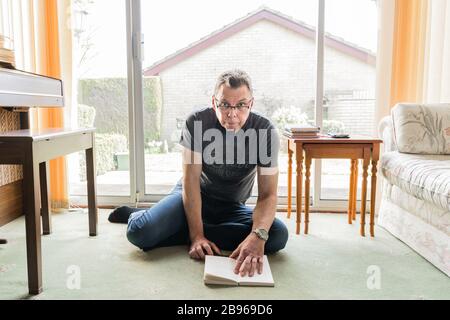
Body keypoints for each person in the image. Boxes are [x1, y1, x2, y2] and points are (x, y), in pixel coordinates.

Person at [109, 69, 288, 277]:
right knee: (140, 233)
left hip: (231, 207)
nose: (232, 114)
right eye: (224, 104)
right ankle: (142, 216)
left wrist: (257, 236)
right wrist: (196, 236)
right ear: (214, 103)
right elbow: (190, 181)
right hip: (191, 196)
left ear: (251, 104)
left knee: (276, 236)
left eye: (241, 105)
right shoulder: (196, 122)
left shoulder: (265, 132)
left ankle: (175, 225)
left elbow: (268, 195)